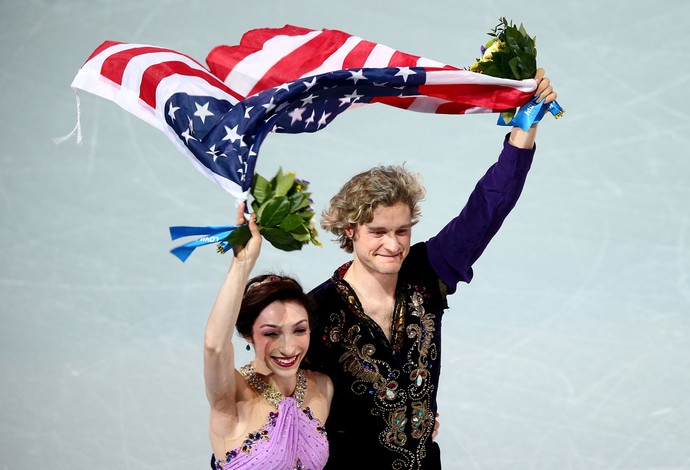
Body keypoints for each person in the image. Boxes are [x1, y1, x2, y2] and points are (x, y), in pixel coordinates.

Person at [305, 69, 558, 469]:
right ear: (350, 230)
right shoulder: (314, 312)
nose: (393, 244)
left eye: (402, 230)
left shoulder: (427, 271)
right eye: (378, 231)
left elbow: (488, 209)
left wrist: (526, 124)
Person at [204, 203, 334, 470]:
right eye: (271, 333)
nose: (288, 347)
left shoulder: (322, 387)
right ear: (247, 334)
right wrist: (242, 265)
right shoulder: (232, 395)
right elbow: (214, 347)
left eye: (299, 330)